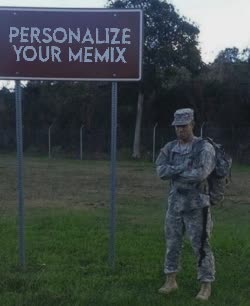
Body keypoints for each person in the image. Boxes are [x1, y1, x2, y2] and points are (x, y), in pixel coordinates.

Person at [155, 108, 216, 301]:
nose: (180, 129)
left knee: (200, 246)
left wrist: (174, 172)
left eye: (184, 125)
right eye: (177, 126)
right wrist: (182, 168)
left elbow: (201, 174)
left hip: (197, 205)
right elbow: (161, 171)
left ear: (192, 125)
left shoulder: (204, 148)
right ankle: (170, 280)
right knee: (172, 243)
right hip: (175, 204)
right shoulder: (170, 147)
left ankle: (206, 285)